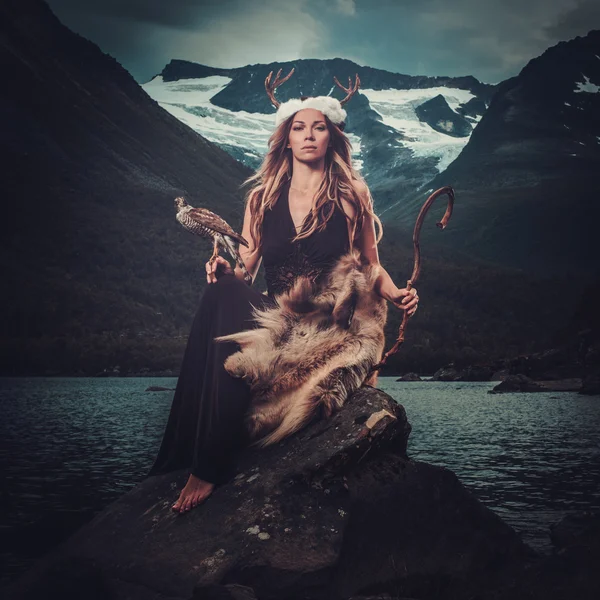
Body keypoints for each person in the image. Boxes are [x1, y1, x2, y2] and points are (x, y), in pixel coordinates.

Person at [149, 77, 419, 513]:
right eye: (299, 127)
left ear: (332, 136)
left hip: (326, 321)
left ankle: (209, 464)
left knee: (235, 318)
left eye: (318, 127)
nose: (308, 135)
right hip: (278, 315)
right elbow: (247, 267)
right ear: (286, 137)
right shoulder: (261, 197)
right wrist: (224, 270)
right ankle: (189, 451)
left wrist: (397, 293)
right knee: (220, 292)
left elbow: (370, 263)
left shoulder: (353, 193)